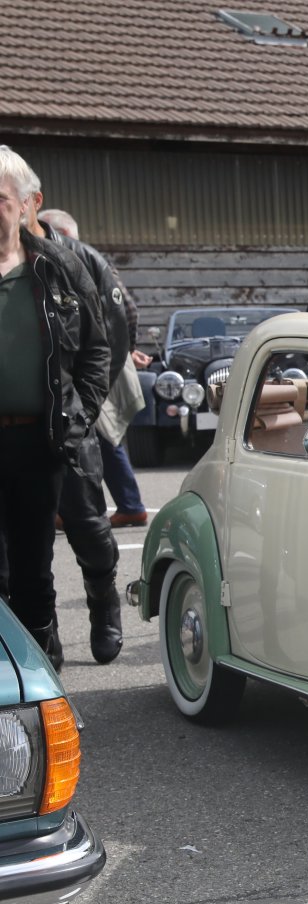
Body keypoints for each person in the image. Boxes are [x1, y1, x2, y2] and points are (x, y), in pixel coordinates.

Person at [0, 146, 110, 671]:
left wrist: (77, 417)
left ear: (27, 204)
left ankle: (41, 679)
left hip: (38, 442)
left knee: (32, 571)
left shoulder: (59, 266)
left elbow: (97, 349)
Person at [29, 204, 131, 663]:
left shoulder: (79, 258)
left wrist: (86, 407)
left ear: (31, 201)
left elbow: (115, 332)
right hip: (14, 424)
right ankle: (42, 632)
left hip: (69, 417)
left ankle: (104, 605)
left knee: (88, 525)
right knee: (20, 540)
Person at [38, 209, 151, 530]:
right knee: (100, 432)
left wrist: (122, 350)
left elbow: (127, 312)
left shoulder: (85, 261)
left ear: (62, 235)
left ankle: (126, 506)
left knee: (98, 431)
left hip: (94, 366)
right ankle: (126, 505)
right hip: (95, 364)